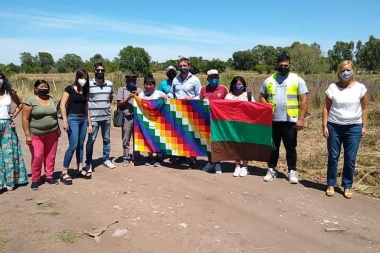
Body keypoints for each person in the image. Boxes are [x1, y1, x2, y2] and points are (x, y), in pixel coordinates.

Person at [259, 52, 308, 184]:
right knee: (273, 147)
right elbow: (262, 96)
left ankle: (292, 171)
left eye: (286, 65)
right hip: (273, 120)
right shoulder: (269, 80)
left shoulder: (297, 80)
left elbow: (304, 100)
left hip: (290, 121)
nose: (283, 67)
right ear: (276, 65)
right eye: (281, 65)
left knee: (290, 148)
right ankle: (271, 169)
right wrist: (266, 105)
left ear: (290, 65)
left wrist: (301, 119)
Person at [322, 60, 367, 199]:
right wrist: (324, 125)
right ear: (339, 72)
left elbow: (365, 108)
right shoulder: (332, 88)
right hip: (334, 126)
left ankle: (347, 185)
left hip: (354, 127)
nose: (345, 73)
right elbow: (326, 108)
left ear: (353, 71)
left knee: (350, 158)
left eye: (348, 70)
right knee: (333, 156)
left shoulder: (360, 88)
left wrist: (364, 126)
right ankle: (331, 184)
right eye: (343, 70)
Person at [22, 80, 60, 190]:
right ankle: (35, 179)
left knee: (50, 156)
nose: (43, 89)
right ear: (35, 89)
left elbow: (54, 115)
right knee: (37, 156)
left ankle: (49, 176)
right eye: (41, 87)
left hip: (52, 132)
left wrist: (57, 128)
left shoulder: (51, 99)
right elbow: (25, 119)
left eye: (45, 87)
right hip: (36, 134)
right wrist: (27, 135)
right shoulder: (30, 100)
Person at [59, 69, 91, 185]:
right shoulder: (70, 89)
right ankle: (64, 171)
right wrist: (65, 120)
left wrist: (89, 123)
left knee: (80, 145)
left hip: (83, 119)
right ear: (77, 77)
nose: (84, 80)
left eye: (86, 78)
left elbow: (87, 108)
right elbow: (62, 104)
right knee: (73, 145)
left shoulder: (85, 91)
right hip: (72, 118)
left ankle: (79, 168)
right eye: (82, 77)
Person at [171, 57, 202, 168]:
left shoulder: (195, 80)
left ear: (189, 66)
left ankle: (193, 157)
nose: (183, 68)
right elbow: (173, 94)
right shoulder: (175, 80)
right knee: (179, 134)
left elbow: (200, 95)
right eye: (181, 66)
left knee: (191, 134)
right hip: (178, 111)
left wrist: (191, 99)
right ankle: (181, 156)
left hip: (191, 110)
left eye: (185, 66)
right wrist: (165, 97)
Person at [85, 62, 116, 172]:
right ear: (94, 71)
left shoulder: (109, 84)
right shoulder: (88, 84)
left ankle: (106, 159)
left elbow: (110, 98)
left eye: (102, 70)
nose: (100, 72)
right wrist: (88, 120)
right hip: (93, 118)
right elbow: (86, 102)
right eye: (98, 70)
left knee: (106, 139)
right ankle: (88, 162)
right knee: (91, 140)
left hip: (106, 117)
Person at [0, 72, 28, 191]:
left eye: (0, 78)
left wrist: (14, 114)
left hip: (7, 124)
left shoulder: (9, 92)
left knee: (9, 154)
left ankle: (11, 181)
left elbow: (20, 104)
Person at [225, 76, 255, 177]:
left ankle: (245, 166)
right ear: (232, 85)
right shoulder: (228, 96)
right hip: (233, 125)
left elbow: (255, 109)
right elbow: (224, 110)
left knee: (245, 145)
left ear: (244, 85)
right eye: (236, 84)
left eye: (240, 84)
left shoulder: (248, 95)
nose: (237, 86)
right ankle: (237, 165)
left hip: (246, 124)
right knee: (235, 145)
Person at [200, 69, 228, 174]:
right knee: (208, 142)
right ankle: (210, 162)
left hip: (219, 121)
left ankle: (218, 164)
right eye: (211, 77)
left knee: (218, 142)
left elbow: (229, 104)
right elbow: (199, 104)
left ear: (218, 78)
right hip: (207, 120)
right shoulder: (203, 90)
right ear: (207, 79)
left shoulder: (223, 89)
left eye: (215, 77)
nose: (213, 79)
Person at [138, 74, 169, 167]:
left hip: (158, 121)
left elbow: (168, 101)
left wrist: (165, 99)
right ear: (144, 85)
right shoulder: (141, 95)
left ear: (154, 85)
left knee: (158, 139)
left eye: (151, 84)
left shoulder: (159, 93)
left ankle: (159, 158)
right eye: (146, 84)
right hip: (146, 121)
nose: (148, 86)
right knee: (148, 139)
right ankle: (150, 157)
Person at [116, 73, 143, 166]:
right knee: (126, 138)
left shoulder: (139, 90)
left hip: (137, 118)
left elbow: (144, 103)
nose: (131, 82)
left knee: (137, 139)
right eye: (129, 80)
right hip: (126, 117)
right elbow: (119, 103)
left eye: (133, 80)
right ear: (126, 81)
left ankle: (137, 156)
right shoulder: (122, 90)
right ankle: (125, 157)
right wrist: (128, 98)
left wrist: (138, 96)